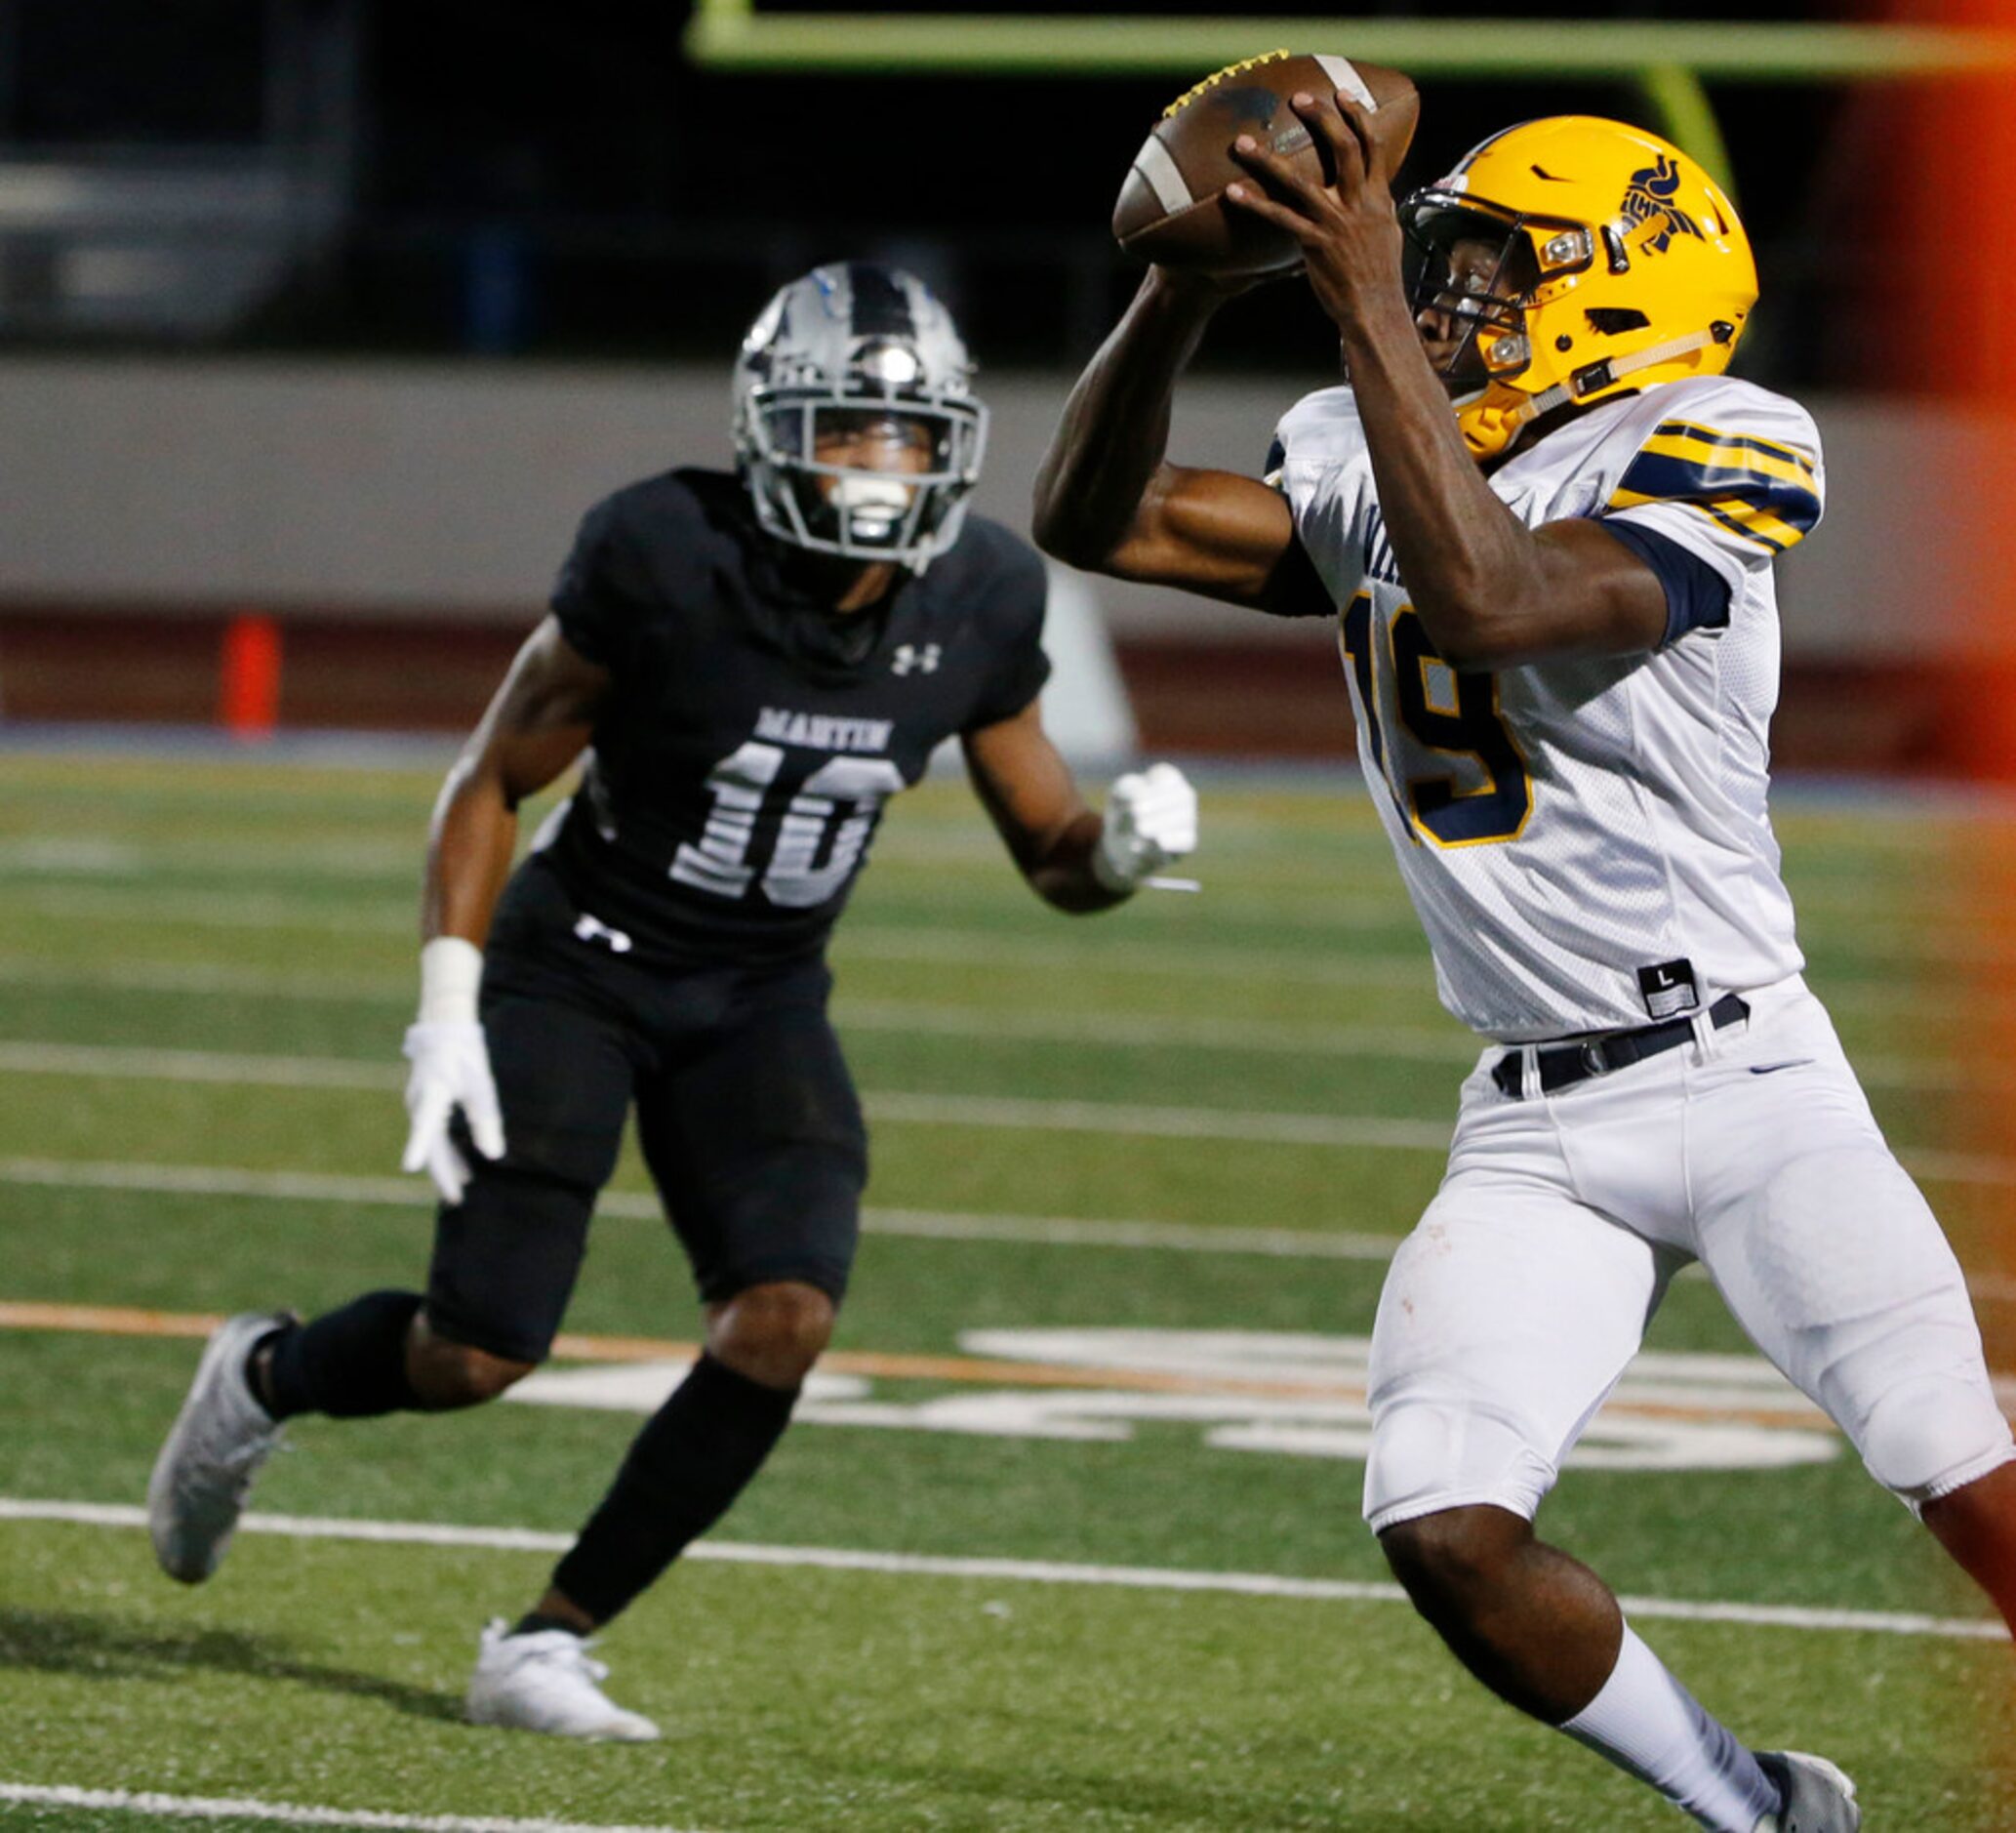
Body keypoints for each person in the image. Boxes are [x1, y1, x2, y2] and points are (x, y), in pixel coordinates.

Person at [1035, 95, 2016, 1833]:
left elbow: (1492, 600)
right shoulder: (1369, 437)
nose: (1442, 297)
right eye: (1444, 264)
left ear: (1625, 292)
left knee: (1965, 1474)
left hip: (1743, 1074)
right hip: (1529, 1114)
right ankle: (1759, 1807)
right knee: (1440, 1520)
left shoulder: (1716, 437)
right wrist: (1181, 297)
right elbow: (1095, 521)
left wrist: (1347, 303)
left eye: (1495, 270)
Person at [147, 260, 1198, 1742]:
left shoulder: (982, 591)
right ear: (771, 427)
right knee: (477, 1353)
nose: (878, 468)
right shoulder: (661, 547)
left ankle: (543, 1642)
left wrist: (1124, 852)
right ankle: (261, 1374)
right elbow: (494, 775)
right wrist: (448, 1002)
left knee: (782, 1316)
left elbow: (1052, 857)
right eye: (844, 430)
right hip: (577, 967)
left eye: (904, 436)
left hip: (761, 995)